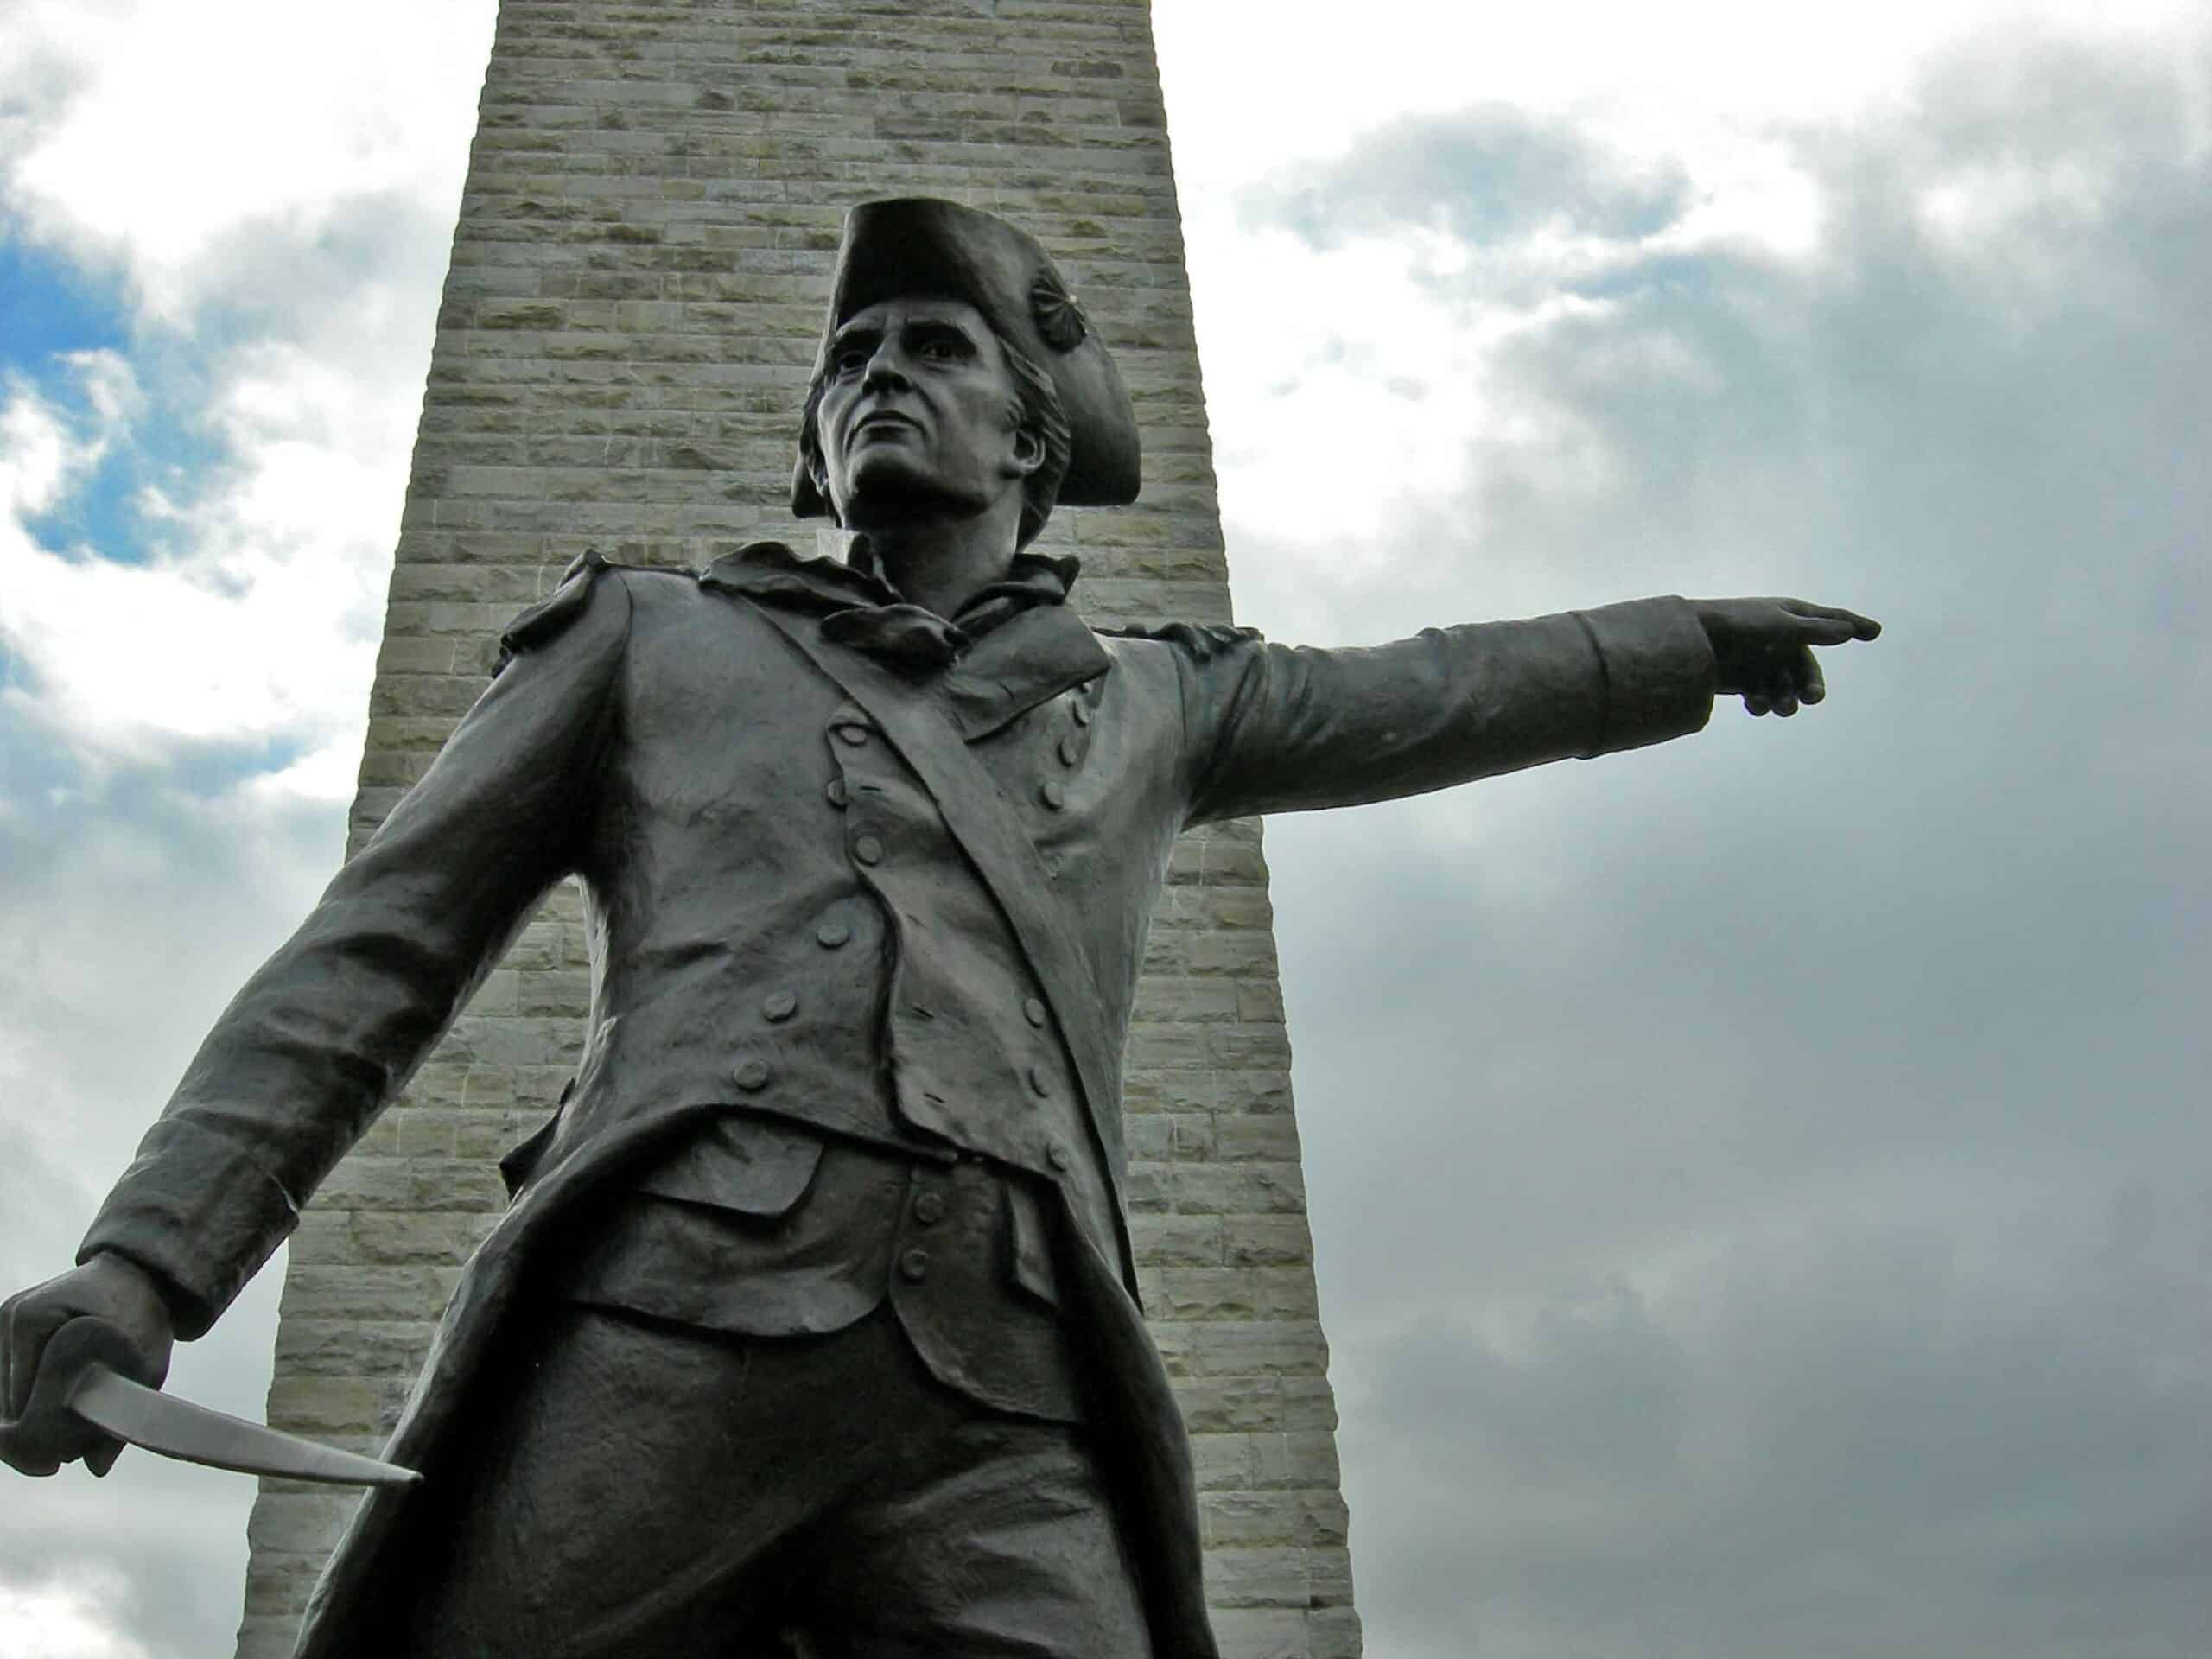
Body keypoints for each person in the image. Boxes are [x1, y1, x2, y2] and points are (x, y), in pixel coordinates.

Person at [0, 199, 1878, 1657]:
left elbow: (1428, 689)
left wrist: (1672, 648)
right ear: (813, 458)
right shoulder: (645, 639)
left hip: (1008, 1378)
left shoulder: (1159, 700)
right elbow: (374, 956)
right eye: (849, 362)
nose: (878, 377)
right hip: (672, 1318)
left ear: (1029, 438)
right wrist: (145, 1268)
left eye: (933, 348)